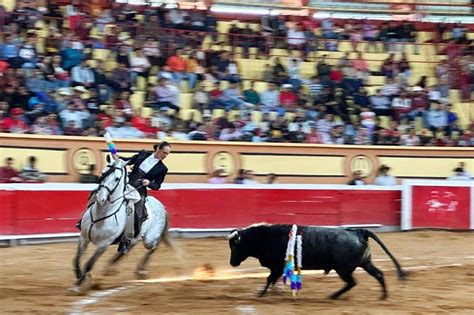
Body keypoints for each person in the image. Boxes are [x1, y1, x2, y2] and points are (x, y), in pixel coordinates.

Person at [118, 141, 171, 253]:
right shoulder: (143, 154)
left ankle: (126, 240)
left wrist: (149, 183)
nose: (165, 156)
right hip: (126, 182)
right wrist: (119, 158)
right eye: (164, 152)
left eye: (167, 154)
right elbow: (129, 160)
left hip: (139, 189)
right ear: (158, 149)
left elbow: (157, 186)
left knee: (137, 212)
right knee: (105, 192)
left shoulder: (163, 169)